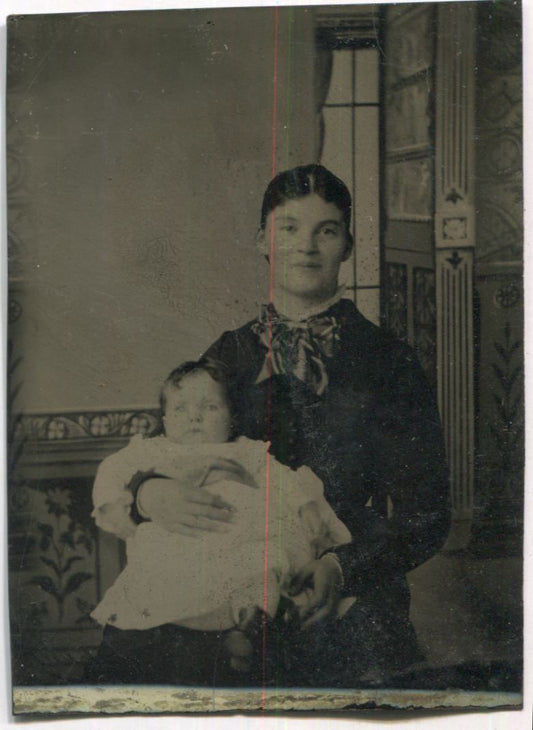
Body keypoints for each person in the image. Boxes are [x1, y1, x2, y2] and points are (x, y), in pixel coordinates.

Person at [135, 164, 451, 687]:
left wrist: (343, 568)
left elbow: (428, 514)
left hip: (354, 591)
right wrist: (150, 494)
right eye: (289, 229)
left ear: (347, 244)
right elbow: (159, 454)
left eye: (325, 230)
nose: (306, 246)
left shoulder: (389, 361)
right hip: (227, 588)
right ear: (263, 240)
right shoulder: (228, 355)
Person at [87, 359, 351, 684]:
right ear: (165, 420)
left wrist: (307, 505)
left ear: (231, 418)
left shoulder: (246, 452)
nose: (194, 417)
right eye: (181, 409)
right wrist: (112, 505)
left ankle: (248, 629)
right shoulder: (153, 450)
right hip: (180, 540)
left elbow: (283, 478)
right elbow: (112, 471)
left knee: (266, 564)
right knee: (154, 574)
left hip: (240, 539)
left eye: (209, 407)